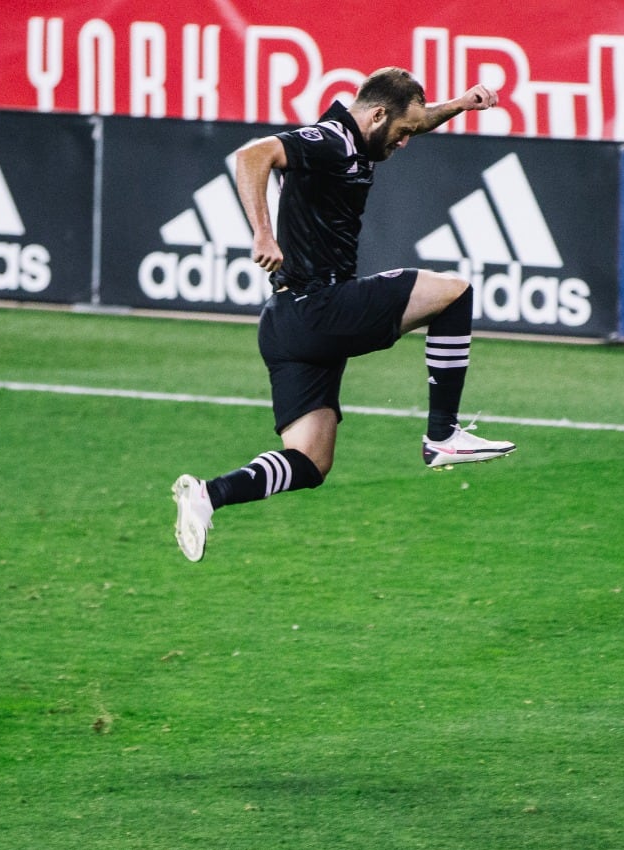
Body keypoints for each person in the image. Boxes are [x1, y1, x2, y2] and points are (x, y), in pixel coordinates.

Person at [172, 67, 515, 562]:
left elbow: (416, 120)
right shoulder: (332, 140)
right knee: (455, 293)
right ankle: (442, 434)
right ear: (376, 115)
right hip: (318, 307)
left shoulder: (362, 137)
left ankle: (208, 496)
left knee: (310, 462)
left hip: (286, 324)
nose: (404, 143)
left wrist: (460, 104)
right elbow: (253, 155)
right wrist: (262, 233)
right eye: (400, 134)